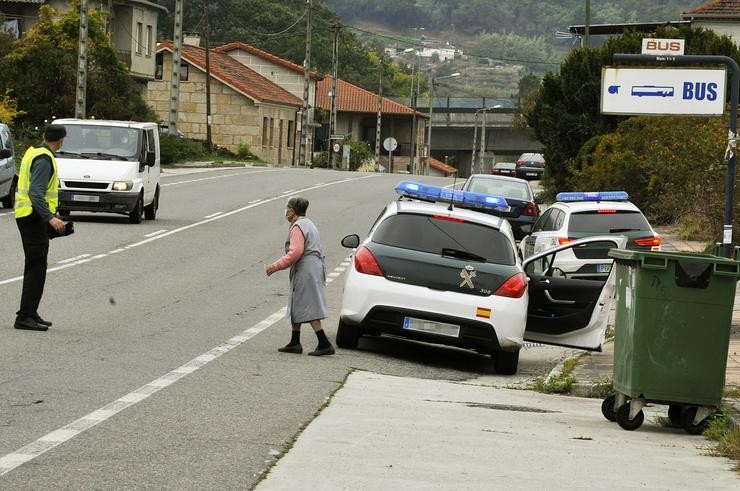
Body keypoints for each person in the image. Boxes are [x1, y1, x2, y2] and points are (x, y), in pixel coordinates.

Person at [265, 197, 334, 356]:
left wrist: (274, 267)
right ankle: (295, 342)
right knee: (297, 300)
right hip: (313, 267)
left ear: (292, 211)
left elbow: (295, 252)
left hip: (306, 269)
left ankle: (324, 343)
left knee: (308, 303)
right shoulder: (309, 223)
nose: (286, 212)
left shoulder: (298, 227)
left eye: (287, 208)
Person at [14, 124, 67, 331]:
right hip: (33, 218)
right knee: (36, 267)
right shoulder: (44, 160)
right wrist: (49, 218)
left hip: (29, 216)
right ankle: (24, 316)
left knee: (36, 266)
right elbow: (36, 193)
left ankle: (31, 312)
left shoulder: (34, 152)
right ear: (61, 140)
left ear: (45, 136)